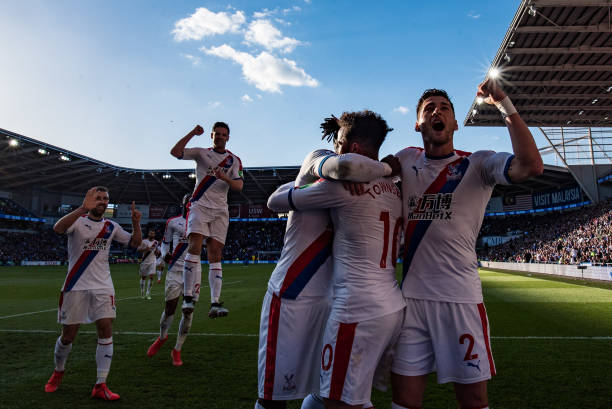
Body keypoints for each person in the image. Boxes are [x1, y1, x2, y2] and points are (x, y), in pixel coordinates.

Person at [387, 80, 543, 409]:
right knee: (403, 399)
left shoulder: (478, 164)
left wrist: (504, 104)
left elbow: (531, 166)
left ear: (456, 123)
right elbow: (373, 173)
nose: (437, 112)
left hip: (460, 299)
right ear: (417, 124)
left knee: (473, 400)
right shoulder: (406, 160)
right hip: (411, 303)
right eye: (429, 109)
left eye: (444, 108)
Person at [255, 114, 398, 409]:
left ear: (349, 144)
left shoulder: (362, 183)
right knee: (274, 398)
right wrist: (384, 168)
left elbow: (278, 198)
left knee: (328, 393)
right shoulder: (321, 158)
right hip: (294, 294)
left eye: (339, 143)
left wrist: (369, 172)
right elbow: (343, 166)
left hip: (335, 301)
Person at [44, 186, 142, 400]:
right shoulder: (77, 221)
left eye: (105, 198)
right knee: (68, 335)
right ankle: (58, 371)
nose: (102, 201)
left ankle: (100, 384)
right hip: (75, 284)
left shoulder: (111, 226)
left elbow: (136, 244)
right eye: (98, 198)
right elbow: (58, 228)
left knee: (106, 328)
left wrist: (136, 222)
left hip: (103, 286)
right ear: (88, 200)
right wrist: (81, 208)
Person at [170, 122, 243, 318]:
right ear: (212, 136)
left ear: (228, 137)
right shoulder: (201, 153)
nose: (220, 136)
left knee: (215, 253)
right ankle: (187, 297)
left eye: (223, 134)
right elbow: (175, 152)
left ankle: (215, 303)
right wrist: (193, 132)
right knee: (194, 245)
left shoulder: (234, 160)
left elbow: (239, 186)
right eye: (217, 134)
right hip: (200, 205)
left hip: (220, 210)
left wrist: (224, 178)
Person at [146, 194, 192, 366]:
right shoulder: (172, 222)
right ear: (184, 202)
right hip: (174, 270)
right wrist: (165, 255)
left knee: (188, 311)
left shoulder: (203, 222)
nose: (191, 202)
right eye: (189, 200)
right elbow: (165, 243)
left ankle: (177, 349)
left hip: (193, 271)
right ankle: (162, 337)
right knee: (170, 309)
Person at [138, 229, 158, 299]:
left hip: (153, 261)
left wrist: (157, 252)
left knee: (151, 276)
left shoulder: (156, 242)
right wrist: (145, 249)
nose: (152, 235)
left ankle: (148, 293)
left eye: (153, 233)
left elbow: (156, 251)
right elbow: (138, 249)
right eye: (151, 233)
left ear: (154, 235)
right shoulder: (144, 241)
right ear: (148, 234)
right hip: (144, 261)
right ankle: (142, 291)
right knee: (143, 277)